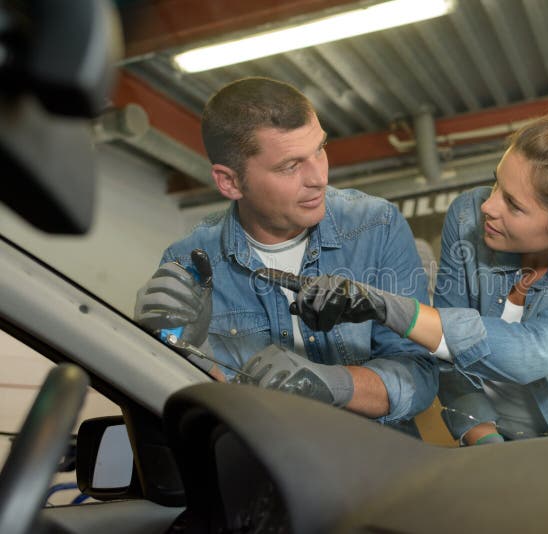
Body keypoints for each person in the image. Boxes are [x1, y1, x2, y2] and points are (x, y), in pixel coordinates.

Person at [277, 109, 548, 444]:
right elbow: (449, 359)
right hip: (483, 441)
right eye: (496, 183)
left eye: (514, 205)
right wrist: (482, 439)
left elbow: (533, 354)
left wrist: (390, 308)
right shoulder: (468, 216)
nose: (489, 206)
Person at [134, 77, 437, 428]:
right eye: (290, 166)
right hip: (264, 469)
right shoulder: (191, 262)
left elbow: (420, 375)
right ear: (229, 182)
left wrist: (333, 384)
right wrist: (182, 352)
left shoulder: (376, 227)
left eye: (320, 149)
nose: (319, 177)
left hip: (379, 466)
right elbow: (192, 412)